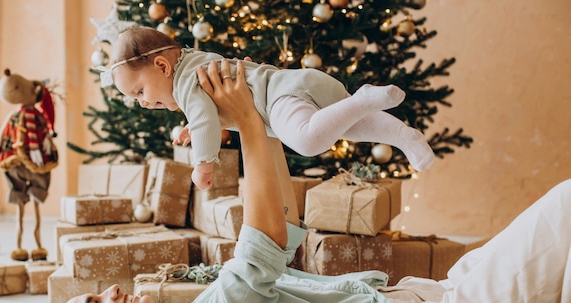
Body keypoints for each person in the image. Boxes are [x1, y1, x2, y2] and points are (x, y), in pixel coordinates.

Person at [2, 59, 571, 303]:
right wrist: (246, 121)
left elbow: (280, 223)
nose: (116, 291)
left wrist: (260, 121)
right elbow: (264, 240)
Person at [103, 26, 435, 190]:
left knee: (308, 141)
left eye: (140, 91)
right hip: (298, 85)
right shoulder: (193, 65)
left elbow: (204, 116)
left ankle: (361, 99)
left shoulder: (187, 82)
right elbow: (206, 112)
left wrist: (203, 163)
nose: (144, 103)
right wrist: (195, 123)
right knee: (356, 127)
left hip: (278, 98)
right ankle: (405, 137)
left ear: (162, 67)